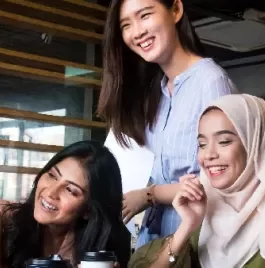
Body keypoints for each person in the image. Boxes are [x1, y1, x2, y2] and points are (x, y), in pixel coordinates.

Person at [129, 94, 265, 268]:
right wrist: (187, 226)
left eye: (224, 141)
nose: (209, 155)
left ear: (257, 145)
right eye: (202, 144)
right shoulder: (205, 210)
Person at [98, 0, 237, 248]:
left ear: (176, 10)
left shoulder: (211, 82)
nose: (137, 31)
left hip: (196, 240)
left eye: (145, 15)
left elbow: (222, 180)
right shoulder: (159, 92)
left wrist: (149, 196)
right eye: (126, 25)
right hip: (154, 241)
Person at [0, 140, 132, 268]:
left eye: (70, 190)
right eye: (52, 175)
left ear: (89, 210)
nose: (50, 193)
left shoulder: (102, 251)